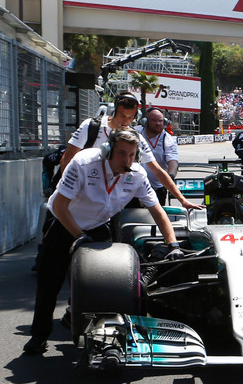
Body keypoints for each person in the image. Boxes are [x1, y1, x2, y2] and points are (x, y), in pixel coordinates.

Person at [24, 129, 182, 356]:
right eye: (121, 154)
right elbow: (59, 205)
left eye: (131, 155)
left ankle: (97, 331)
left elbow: (157, 210)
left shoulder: (136, 174)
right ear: (107, 151)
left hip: (98, 225)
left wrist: (172, 244)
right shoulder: (83, 163)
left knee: (106, 280)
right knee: (50, 282)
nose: (126, 160)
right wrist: (78, 236)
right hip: (64, 221)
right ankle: (39, 336)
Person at [60, 92, 199, 211]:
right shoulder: (91, 126)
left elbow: (157, 170)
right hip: (82, 195)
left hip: (113, 199)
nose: (126, 121)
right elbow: (67, 159)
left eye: (130, 117)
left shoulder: (134, 137)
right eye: (122, 115)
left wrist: (182, 200)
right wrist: (69, 190)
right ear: (113, 111)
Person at [135, 107, 180, 205]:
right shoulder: (135, 133)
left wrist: (170, 176)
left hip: (158, 187)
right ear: (145, 122)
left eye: (160, 121)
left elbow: (173, 161)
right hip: (134, 185)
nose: (158, 123)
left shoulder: (168, 140)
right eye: (154, 120)